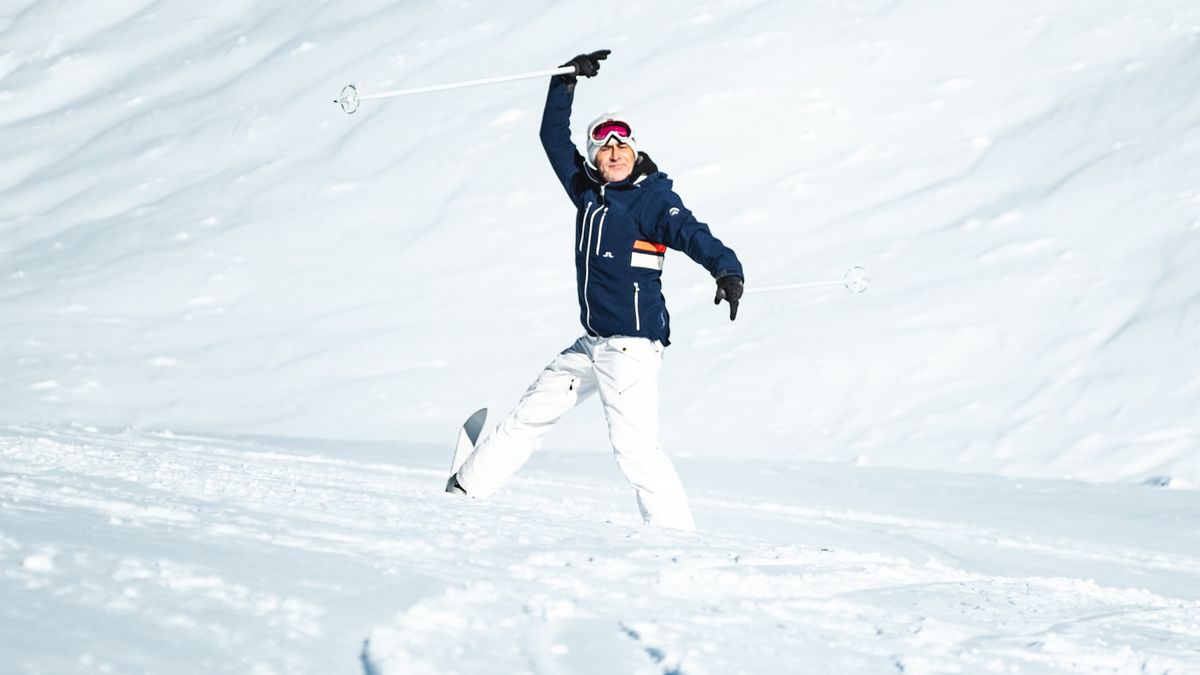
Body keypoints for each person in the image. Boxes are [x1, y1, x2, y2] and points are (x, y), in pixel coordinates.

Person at [448, 50, 744, 531]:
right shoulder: (588, 195)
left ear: (635, 151)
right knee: (532, 412)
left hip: (630, 347)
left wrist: (726, 271)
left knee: (635, 448)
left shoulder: (653, 201)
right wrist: (564, 81)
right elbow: (550, 138)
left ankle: (676, 537)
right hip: (592, 343)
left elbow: (694, 234)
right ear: (594, 159)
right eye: (604, 149)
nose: (615, 153)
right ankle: (467, 488)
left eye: (622, 146)